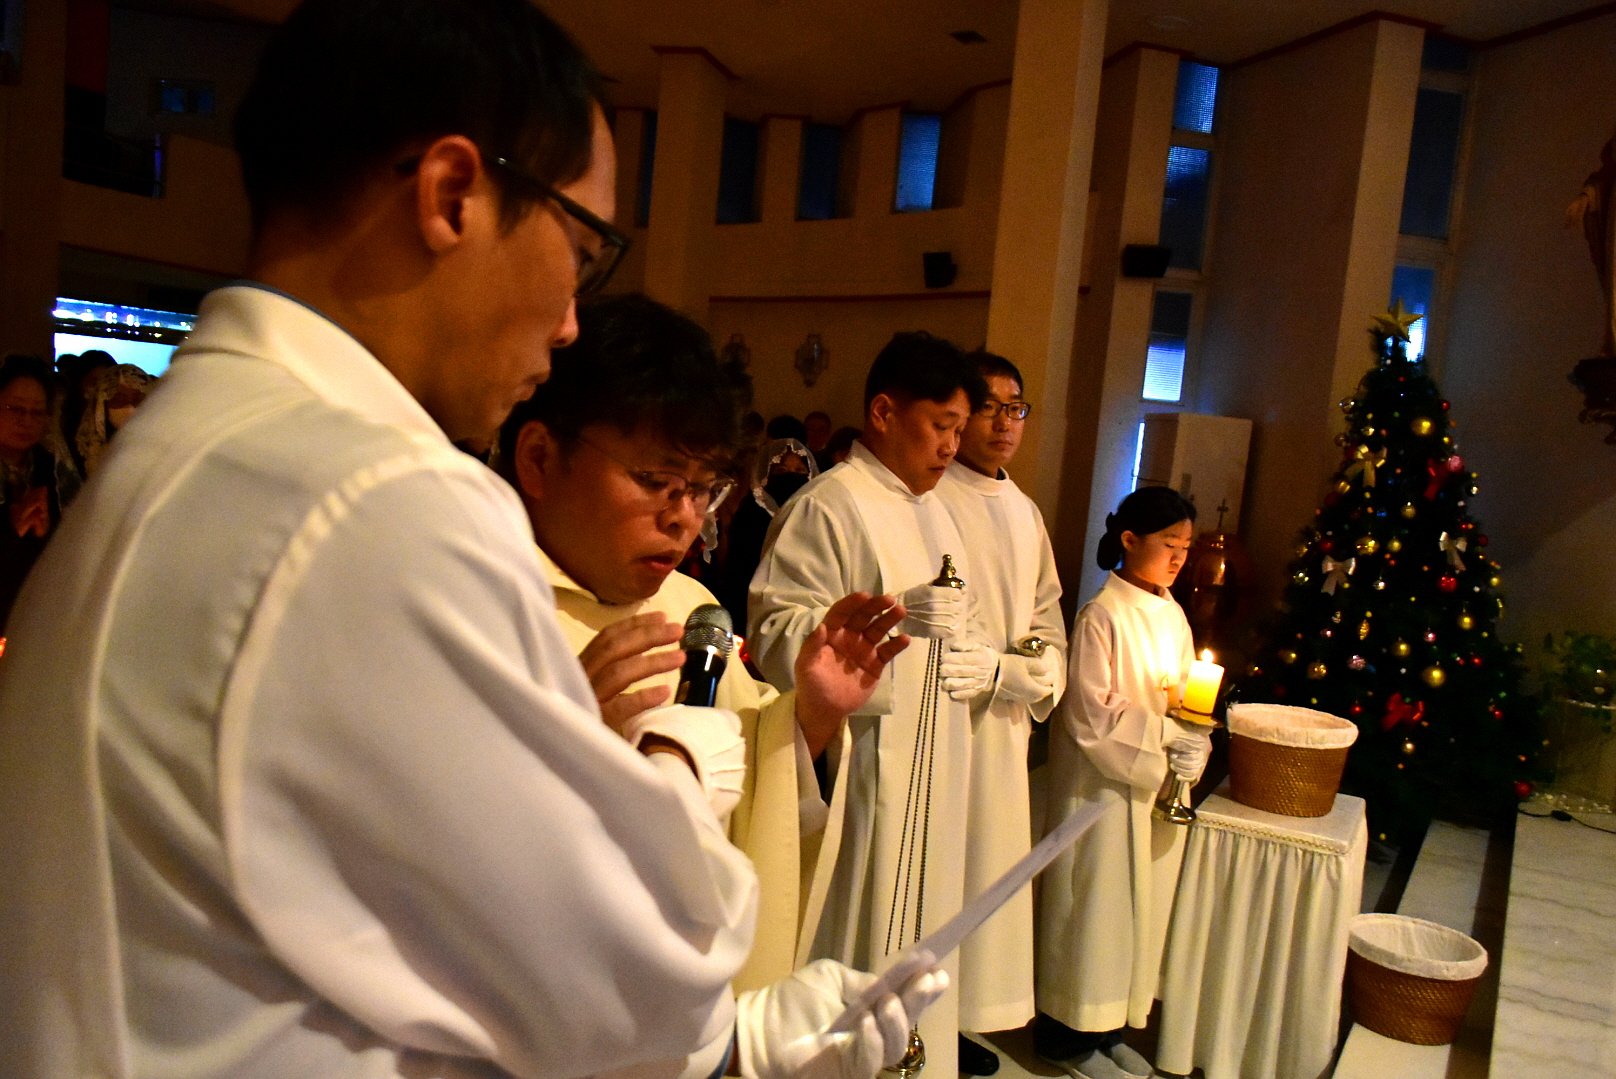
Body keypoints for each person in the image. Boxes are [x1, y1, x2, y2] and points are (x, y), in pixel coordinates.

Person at [0, 3, 938, 1077]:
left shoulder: (185, 441)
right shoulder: (379, 497)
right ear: (452, 193)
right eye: (580, 251)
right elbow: (634, 960)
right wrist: (676, 770)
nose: (570, 319)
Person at [497, 292, 879, 991]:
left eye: (703, 488)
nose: (684, 519)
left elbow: (748, 782)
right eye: (656, 481)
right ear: (541, 458)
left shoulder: (690, 607)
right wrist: (562, 746)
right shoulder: (477, 605)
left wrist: (808, 718)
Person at [749, 331, 988, 1079]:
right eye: (940, 425)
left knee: (924, 929)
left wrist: (981, 659)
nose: (951, 446)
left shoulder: (939, 512)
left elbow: (963, 622)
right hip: (865, 772)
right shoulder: (829, 505)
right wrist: (886, 621)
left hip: (936, 760)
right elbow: (775, 631)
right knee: (860, 936)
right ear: (883, 412)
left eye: (960, 429)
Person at [1035, 487, 1211, 1079]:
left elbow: (1190, 694)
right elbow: (1090, 716)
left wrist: (1193, 743)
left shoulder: (1173, 614)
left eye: (1186, 546)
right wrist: (1163, 736)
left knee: (1138, 913)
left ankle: (1110, 1031)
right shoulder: (1102, 615)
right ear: (1130, 540)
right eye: (1169, 543)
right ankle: (1066, 1038)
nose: (1179, 557)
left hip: (1152, 790)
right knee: (1092, 913)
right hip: (1101, 792)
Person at [935, 351, 1066, 1075]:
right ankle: (925, 1018)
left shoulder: (1025, 511)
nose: (1005, 423)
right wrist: (987, 667)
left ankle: (963, 1016)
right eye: (989, 407)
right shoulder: (934, 494)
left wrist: (1028, 670)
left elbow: (1046, 616)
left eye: (1016, 408)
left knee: (986, 874)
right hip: (950, 718)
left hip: (1005, 725)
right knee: (943, 870)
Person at [0, 353, 77, 633]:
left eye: (37, 412)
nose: (26, 420)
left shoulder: (51, 469)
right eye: (14, 408)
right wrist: (10, 527)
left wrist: (46, 533)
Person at [74, 362, 156, 477]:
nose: (130, 406)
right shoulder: (86, 455)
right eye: (119, 400)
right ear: (102, 406)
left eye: (138, 400)